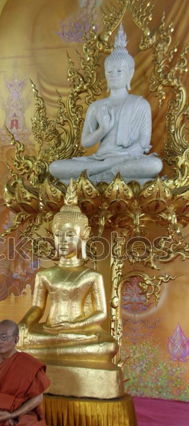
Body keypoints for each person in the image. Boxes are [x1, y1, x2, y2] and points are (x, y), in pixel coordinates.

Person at [18, 180, 124, 399]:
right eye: (58, 235)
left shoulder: (91, 276)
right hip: (49, 332)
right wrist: (24, 324)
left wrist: (75, 325)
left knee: (107, 346)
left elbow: (101, 313)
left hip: (80, 333)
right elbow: (37, 307)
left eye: (69, 235)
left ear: (83, 235)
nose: (63, 241)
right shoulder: (45, 275)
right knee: (19, 341)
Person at [49, 24, 162, 185]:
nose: (114, 75)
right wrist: (103, 129)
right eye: (109, 72)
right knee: (56, 167)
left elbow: (143, 143)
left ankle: (100, 174)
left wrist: (121, 158)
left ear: (130, 73)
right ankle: (107, 171)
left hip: (127, 160)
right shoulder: (97, 106)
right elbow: (86, 142)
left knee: (154, 165)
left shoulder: (140, 104)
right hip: (99, 160)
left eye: (119, 71)